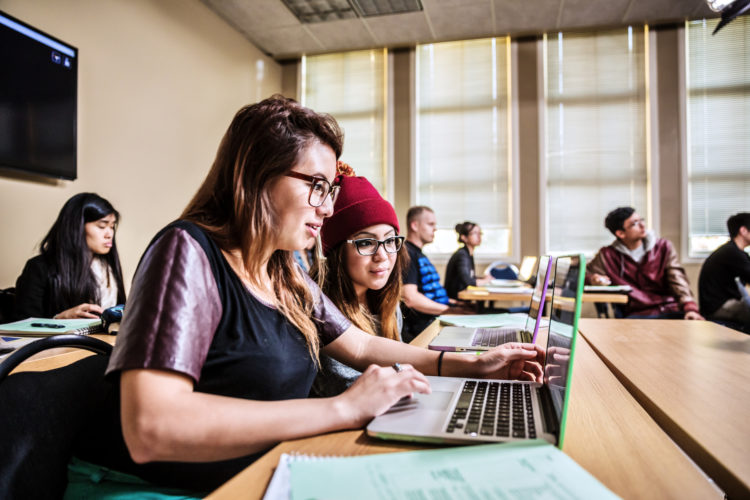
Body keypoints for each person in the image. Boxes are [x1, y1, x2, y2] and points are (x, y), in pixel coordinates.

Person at [71, 96, 544, 495]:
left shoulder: (282, 268)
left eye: (331, 188)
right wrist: (343, 408)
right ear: (255, 175)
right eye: (317, 186)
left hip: (263, 473)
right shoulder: (187, 251)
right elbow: (152, 428)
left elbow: (358, 345)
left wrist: (469, 363)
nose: (329, 207)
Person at [310, 168, 406, 396]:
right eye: (366, 243)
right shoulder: (321, 309)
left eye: (390, 240)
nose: (382, 255)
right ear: (337, 252)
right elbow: (345, 388)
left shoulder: (386, 301)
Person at [14, 192, 126, 320]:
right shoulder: (39, 268)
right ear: (76, 227)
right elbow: (21, 324)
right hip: (62, 340)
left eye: (112, 227)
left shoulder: (109, 269)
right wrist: (60, 319)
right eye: (102, 226)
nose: (109, 234)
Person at [587, 206, 703, 320]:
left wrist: (689, 306)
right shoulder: (608, 255)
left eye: (641, 220)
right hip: (636, 314)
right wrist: (593, 279)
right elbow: (584, 275)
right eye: (634, 224)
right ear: (620, 233)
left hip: (670, 309)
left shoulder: (663, 247)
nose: (643, 225)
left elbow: (677, 278)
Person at [401, 206, 471, 343]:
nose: (435, 229)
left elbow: (429, 291)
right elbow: (411, 298)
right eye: (430, 224)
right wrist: (450, 310)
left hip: (438, 316)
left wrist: (455, 304)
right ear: (414, 225)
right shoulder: (407, 253)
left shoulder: (419, 254)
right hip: (425, 325)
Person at [698, 212, 750, 329]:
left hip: (717, 304)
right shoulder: (733, 253)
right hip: (718, 307)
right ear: (743, 231)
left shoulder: (732, 251)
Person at [444, 221, 493, 300]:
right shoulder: (462, 255)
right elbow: (468, 282)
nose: (479, 236)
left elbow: (470, 277)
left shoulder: (468, 254)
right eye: (474, 233)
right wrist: (487, 280)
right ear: (464, 237)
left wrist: (483, 278)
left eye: (480, 233)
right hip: (456, 301)